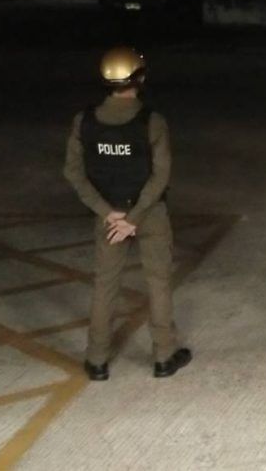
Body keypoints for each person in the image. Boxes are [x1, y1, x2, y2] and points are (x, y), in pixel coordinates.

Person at [63, 46, 191, 381]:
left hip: (109, 218)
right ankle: (164, 355)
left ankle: (97, 360)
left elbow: (73, 172)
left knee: (105, 284)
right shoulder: (152, 122)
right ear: (140, 78)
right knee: (158, 283)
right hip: (149, 214)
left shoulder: (84, 121)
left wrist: (108, 213)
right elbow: (160, 176)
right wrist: (133, 219)